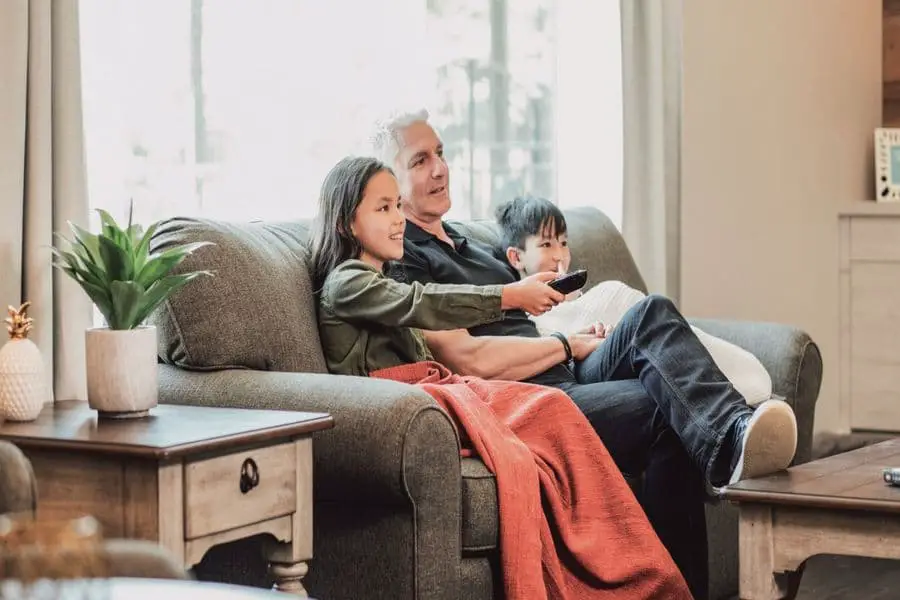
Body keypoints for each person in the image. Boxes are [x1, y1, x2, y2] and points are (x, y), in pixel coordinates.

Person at [370, 108, 798, 600]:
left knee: (648, 316)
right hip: (529, 394)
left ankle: (730, 433)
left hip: (562, 362)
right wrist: (563, 344)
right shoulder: (407, 259)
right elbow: (468, 359)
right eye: (421, 160)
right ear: (392, 185)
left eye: (441, 153)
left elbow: (525, 318)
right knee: (666, 410)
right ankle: (723, 461)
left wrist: (573, 333)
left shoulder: (472, 246)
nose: (440, 168)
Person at [308, 155, 693, 600]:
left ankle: (649, 573)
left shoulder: (383, 282)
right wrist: (511, 295)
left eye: (397, 205)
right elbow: (422, 302)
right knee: (555, 407)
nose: (398, 220)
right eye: (383, 209)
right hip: (411, 406)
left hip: (444, 390)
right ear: (344, 223)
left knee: (613, 385)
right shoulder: (346, 283)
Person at [495, 194, 776, 409]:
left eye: (564, 243)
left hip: (622, 334)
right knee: (648, 312)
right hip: (588, 363)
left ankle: (732, 404)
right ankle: (731, 412)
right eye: (546, 245)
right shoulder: (525, 319)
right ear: (515, 257)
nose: (560, 255)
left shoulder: (583, 296)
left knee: (656, 312)